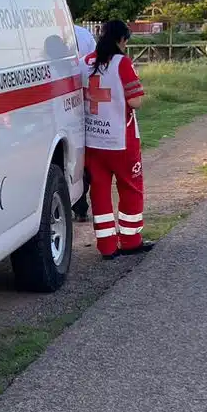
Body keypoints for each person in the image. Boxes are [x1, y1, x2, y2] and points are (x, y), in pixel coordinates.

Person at [84, 19, 152, 259]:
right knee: (131, 188)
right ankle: (131, 239)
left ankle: (107, 246)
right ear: (122, 39)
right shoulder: (121, 63)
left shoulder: (86, 62)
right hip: (121, 141)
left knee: (99, 192)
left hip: (93, 142)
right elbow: (136, 101)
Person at [71, 20, 97, 222]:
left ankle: (78, 205)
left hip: (61, 101)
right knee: (81, 154)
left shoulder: (46, 37)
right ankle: (80, 206)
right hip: (81, 100)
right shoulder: (83, 34)